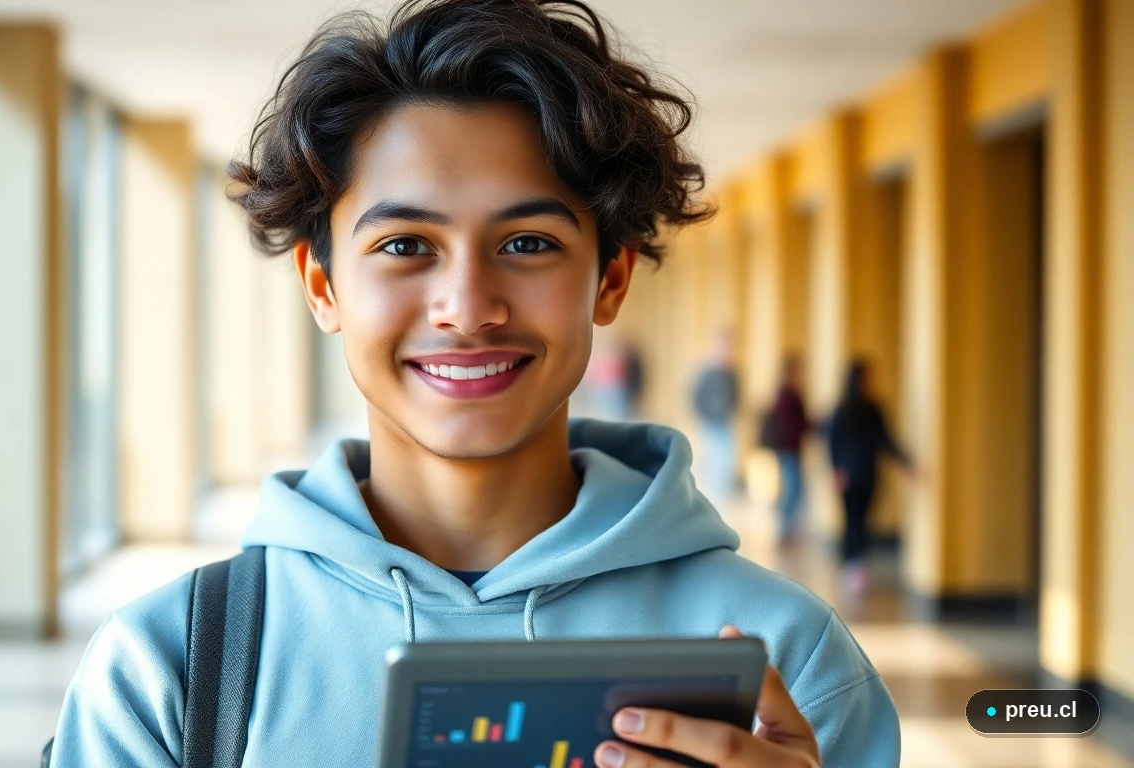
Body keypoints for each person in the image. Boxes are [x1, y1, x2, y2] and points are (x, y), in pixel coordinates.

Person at [49, 2, 899, 766]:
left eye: (527, 243)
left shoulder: (786, 662)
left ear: (609, 282)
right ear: (322, 286)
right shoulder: (175, 670)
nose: (467, 308)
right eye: (404, 245)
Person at [826, 359, 914, 596]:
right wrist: (835, 469)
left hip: (859, 474)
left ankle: (856, 565)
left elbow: (883, 439)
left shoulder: (866, 408)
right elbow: (834, 442)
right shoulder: (847, 408)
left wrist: (908, 463)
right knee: (855, 521)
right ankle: (853, 565)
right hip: (856, 474)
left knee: (859, 521)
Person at [763, 354, 809, 545]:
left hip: (789, 448)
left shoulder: (786, 394)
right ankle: (784, 528)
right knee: (794, 490)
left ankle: (787, 528)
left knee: (794, 489)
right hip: (788, 449)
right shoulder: (787, 395)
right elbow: (793, 424)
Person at [691, 329, 740, 504]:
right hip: (711, 423)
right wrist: (706, 415)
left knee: (727, 461)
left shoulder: (733, 373)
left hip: (727, 422)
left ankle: (723, 496)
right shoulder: (706, 372)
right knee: (714, 461)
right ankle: (713, 498)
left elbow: (737, 396)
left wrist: (732, 412)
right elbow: (696, 397)